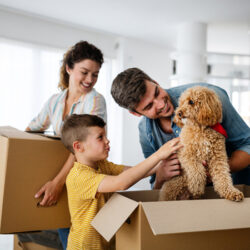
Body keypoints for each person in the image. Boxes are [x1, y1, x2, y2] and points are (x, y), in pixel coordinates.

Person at [18, 41, 107, 249]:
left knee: (74, 236)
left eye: (95, 74)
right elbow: (32, 129)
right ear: (69, 68)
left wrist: (57, 183)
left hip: (83, 177)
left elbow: (83, 148)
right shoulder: (54, 101)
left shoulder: (95, 101)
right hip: (61, 171)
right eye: (84, 72)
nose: (90, 80)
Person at [111, 67, 250, 189]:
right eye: (149, 106)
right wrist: (160, 176)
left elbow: (248, 144)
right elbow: (155, 188)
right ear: (136, 113)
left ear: (156, 82)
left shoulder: (210, 98)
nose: (160, 104)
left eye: (157, 93)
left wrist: (217, 170)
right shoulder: (145, 132)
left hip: (235, 188)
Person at [61, 114, 182, 250]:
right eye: (100, 137)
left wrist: (163, 166)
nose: (107, 141)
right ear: (78, 146)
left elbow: (134, 171)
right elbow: (122, 182)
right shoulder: (78, 176)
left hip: (106, 244)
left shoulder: (102, 165)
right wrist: (158, 154)